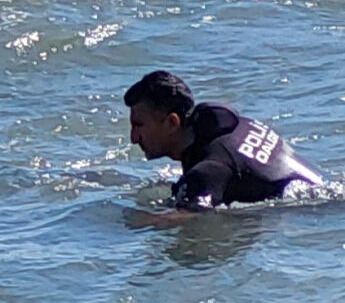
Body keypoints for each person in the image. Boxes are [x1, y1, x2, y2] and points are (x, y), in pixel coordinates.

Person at [124, 70, 325, 210]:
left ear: (171, 122)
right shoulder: (236, 125)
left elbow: (190, 220)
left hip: (313, 213)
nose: (133, 138)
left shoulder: (210, 168)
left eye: (138, 125)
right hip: (323, 192)